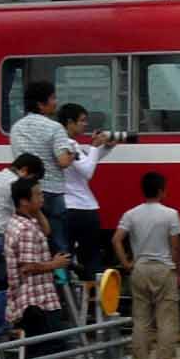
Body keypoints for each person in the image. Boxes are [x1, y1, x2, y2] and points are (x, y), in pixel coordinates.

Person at [1, 177, 71, 359]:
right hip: (36, 298)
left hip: (30, 298)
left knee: (37, 349)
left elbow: (47, 231)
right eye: (38, 195)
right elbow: (27, 267)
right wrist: (55, 264)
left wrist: (37, 209)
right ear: (24, 201)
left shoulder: (21, 222)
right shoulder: (26, 230)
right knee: (55, 345)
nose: (42, 198)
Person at [113, 171, 180, 359]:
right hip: (164, 268)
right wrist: (178, 271)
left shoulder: (131, 214)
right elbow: (176, 246)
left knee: (141, 319)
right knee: (167, 319)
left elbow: (116, 240)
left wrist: (127, 264)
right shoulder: (171, 214)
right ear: (161, 191)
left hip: (140, 268)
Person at [0, 153, 45, 343]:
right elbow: (26, 210)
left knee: (3, 282)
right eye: (32, 180)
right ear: (24, 171)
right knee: (6, 286)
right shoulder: (13, 184)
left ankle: (3, 326)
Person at [8, 80, 77, 254]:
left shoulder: (16, 128)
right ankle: (61, 271)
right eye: (52, 98)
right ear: (41, 104)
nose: (56, 102)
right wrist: (73, 153)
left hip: (25, 191)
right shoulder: (55, 128)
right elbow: (63, 161)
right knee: (58, 241)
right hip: (52, 191)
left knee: (32, 239)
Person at [57, 103, 115, 283]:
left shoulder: (62, 143)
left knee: (65, 256)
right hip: (83, 209)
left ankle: (66, 292)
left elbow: (87, 160)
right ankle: (95, 295)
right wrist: (96, 147)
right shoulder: (69, 144)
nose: (85, 125)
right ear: (69, 122)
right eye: (82, 121)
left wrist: (105, 148)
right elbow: (88, 170)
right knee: (91, 259)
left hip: (68, 208)